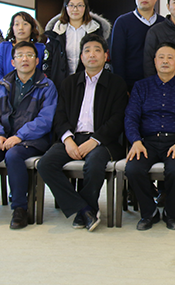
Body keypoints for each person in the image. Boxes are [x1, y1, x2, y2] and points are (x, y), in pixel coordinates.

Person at [37, 35, 128, 231]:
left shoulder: (117, 83)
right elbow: (59, 115)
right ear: (81, 56)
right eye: (87, 50)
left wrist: (95, 140)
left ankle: (86, 210)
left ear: (105, 56)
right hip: (72, 137)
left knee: (94, 164)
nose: (92, 54)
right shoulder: (69, 83)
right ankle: (84, 209)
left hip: (104, 141)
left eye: (97, 50)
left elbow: (118, 119)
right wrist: (68, 139)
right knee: (45, 164)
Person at [0, 41, 58, 229]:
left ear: (37, 61)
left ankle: (20, 209)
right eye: (20, 55)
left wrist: (20, 136)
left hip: (31, 140)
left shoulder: (47, 86)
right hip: (2, 137)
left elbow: (45, 119)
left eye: (30, 55)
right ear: (13, 62)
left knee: (14, 155)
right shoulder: (2, 85)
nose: (25, 59)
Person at [124, 42, 175, 231]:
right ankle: (149, 212)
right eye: (161, 57)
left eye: (170, 57)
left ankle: (170, 212)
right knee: (133, 169)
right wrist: (135, 141)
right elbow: (131, 117)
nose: (165, 61)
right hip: (147, 142)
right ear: (155, 61)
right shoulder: (141, 87)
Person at [43, 0, 112, 90]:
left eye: (80, 5)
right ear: (65, 7)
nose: (75, 9)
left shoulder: (95, 30)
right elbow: (48, 61)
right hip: (60, 84)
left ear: (85, 7)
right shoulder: (56, 31)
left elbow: (103, 59)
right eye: (71, 5)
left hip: (89, 83)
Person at [110, 0, 166, 90]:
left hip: (159, 83)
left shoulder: (163, 23)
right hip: (131, 84)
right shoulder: (123, 22)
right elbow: (117, 58)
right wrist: (121, 87)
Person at [0, 11, 45, 85]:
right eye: (17, 24)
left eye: (25, 24)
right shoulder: (4, 47)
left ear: (32, 28)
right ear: (12, 28)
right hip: (6, 89)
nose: (21, 28)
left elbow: (44, 73)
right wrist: (7, 87)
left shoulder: (41, 48)